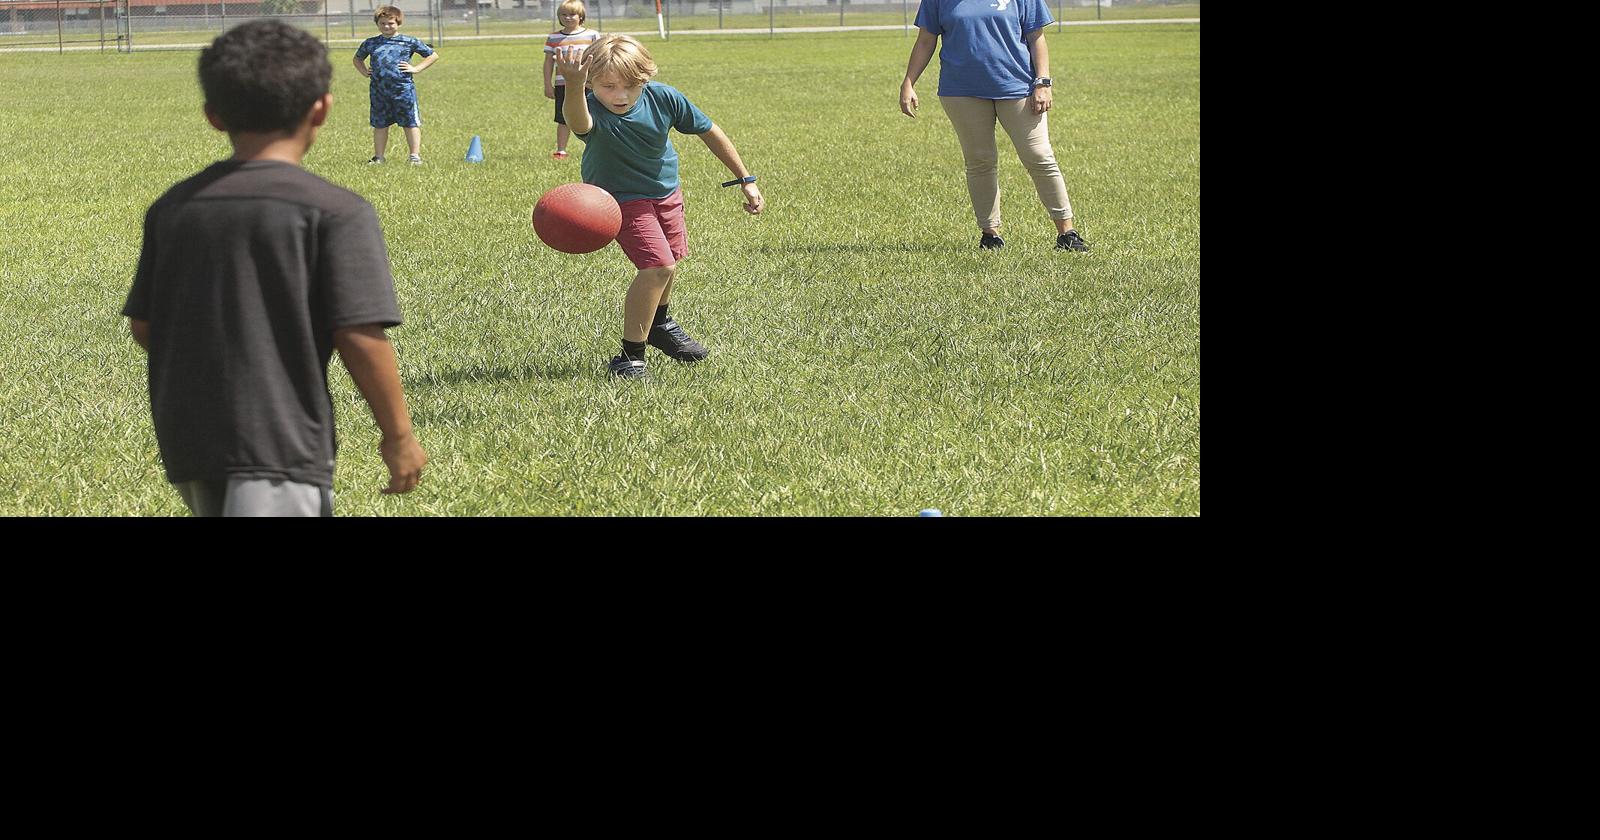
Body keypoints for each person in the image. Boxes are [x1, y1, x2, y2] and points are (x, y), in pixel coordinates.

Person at [123, 19, 427, 516]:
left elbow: (146, 325)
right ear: (322, 109)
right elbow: (360, 335)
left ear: (213, 116)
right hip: (281, 439)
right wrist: (398, 436)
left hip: (189, 439)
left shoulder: (174, 207)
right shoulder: (335, 211)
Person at [555, 34, 765, 380]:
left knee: (671, 261)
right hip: (619, 200)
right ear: (592, 82)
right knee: (657, 267)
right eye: (607, 86)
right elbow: (578, 122)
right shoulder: (589, 105)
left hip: (666, 193)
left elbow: (710, 131)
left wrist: (746, 178)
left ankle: (659, 324)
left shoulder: (664, 97)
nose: (619, 96)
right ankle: (629, 357)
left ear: (645, 79)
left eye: (629, 86)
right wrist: (575, 87)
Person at [900, 0, 1090, 252]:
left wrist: (1042, 82)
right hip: (961, 90)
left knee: (1039, 157)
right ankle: (990, 234)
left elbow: (1036, 37)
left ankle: (1067, 233)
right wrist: (909, 82)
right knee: (979, 160)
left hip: (1018, 88)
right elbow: (926, 40)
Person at [354, 5, 438, 165]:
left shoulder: (408, 41)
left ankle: (414, 156)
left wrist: (416, 68)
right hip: (379, 92)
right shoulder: (371, 43)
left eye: (390, 23)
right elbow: (357, 59)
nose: (386, 26)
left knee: (410, 122)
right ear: (377, 24)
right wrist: (364, 71)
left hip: (403, 91)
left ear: (398, 23)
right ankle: (379, 157)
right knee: (380, 124)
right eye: (382, 23)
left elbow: (433, 55)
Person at [542, 0, 599, 160]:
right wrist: (548, 84)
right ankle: (561, 150)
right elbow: (548, 63)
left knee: (593, 115)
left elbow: (599, 59)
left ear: (581, 16)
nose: (567, 18)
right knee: (563, 117)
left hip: (588, 83)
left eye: (572, 14)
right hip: (563, 84)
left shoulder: (592, 35)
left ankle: (596, 147)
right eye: (563, 14)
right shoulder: (554, 37)